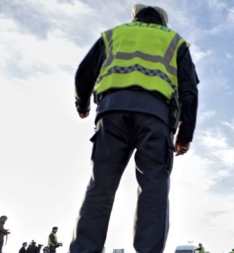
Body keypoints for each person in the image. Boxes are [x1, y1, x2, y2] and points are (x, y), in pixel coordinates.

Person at [70, 3, 199, 253]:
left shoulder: (114, 34)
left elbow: (83, 73)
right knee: (153, 189)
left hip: (111, 114)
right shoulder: (174, 41)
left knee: (100, 186)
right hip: (156, 118)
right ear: (162, 21)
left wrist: (82, 105)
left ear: (135, 17)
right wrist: (185, 134)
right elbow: (189, 91)